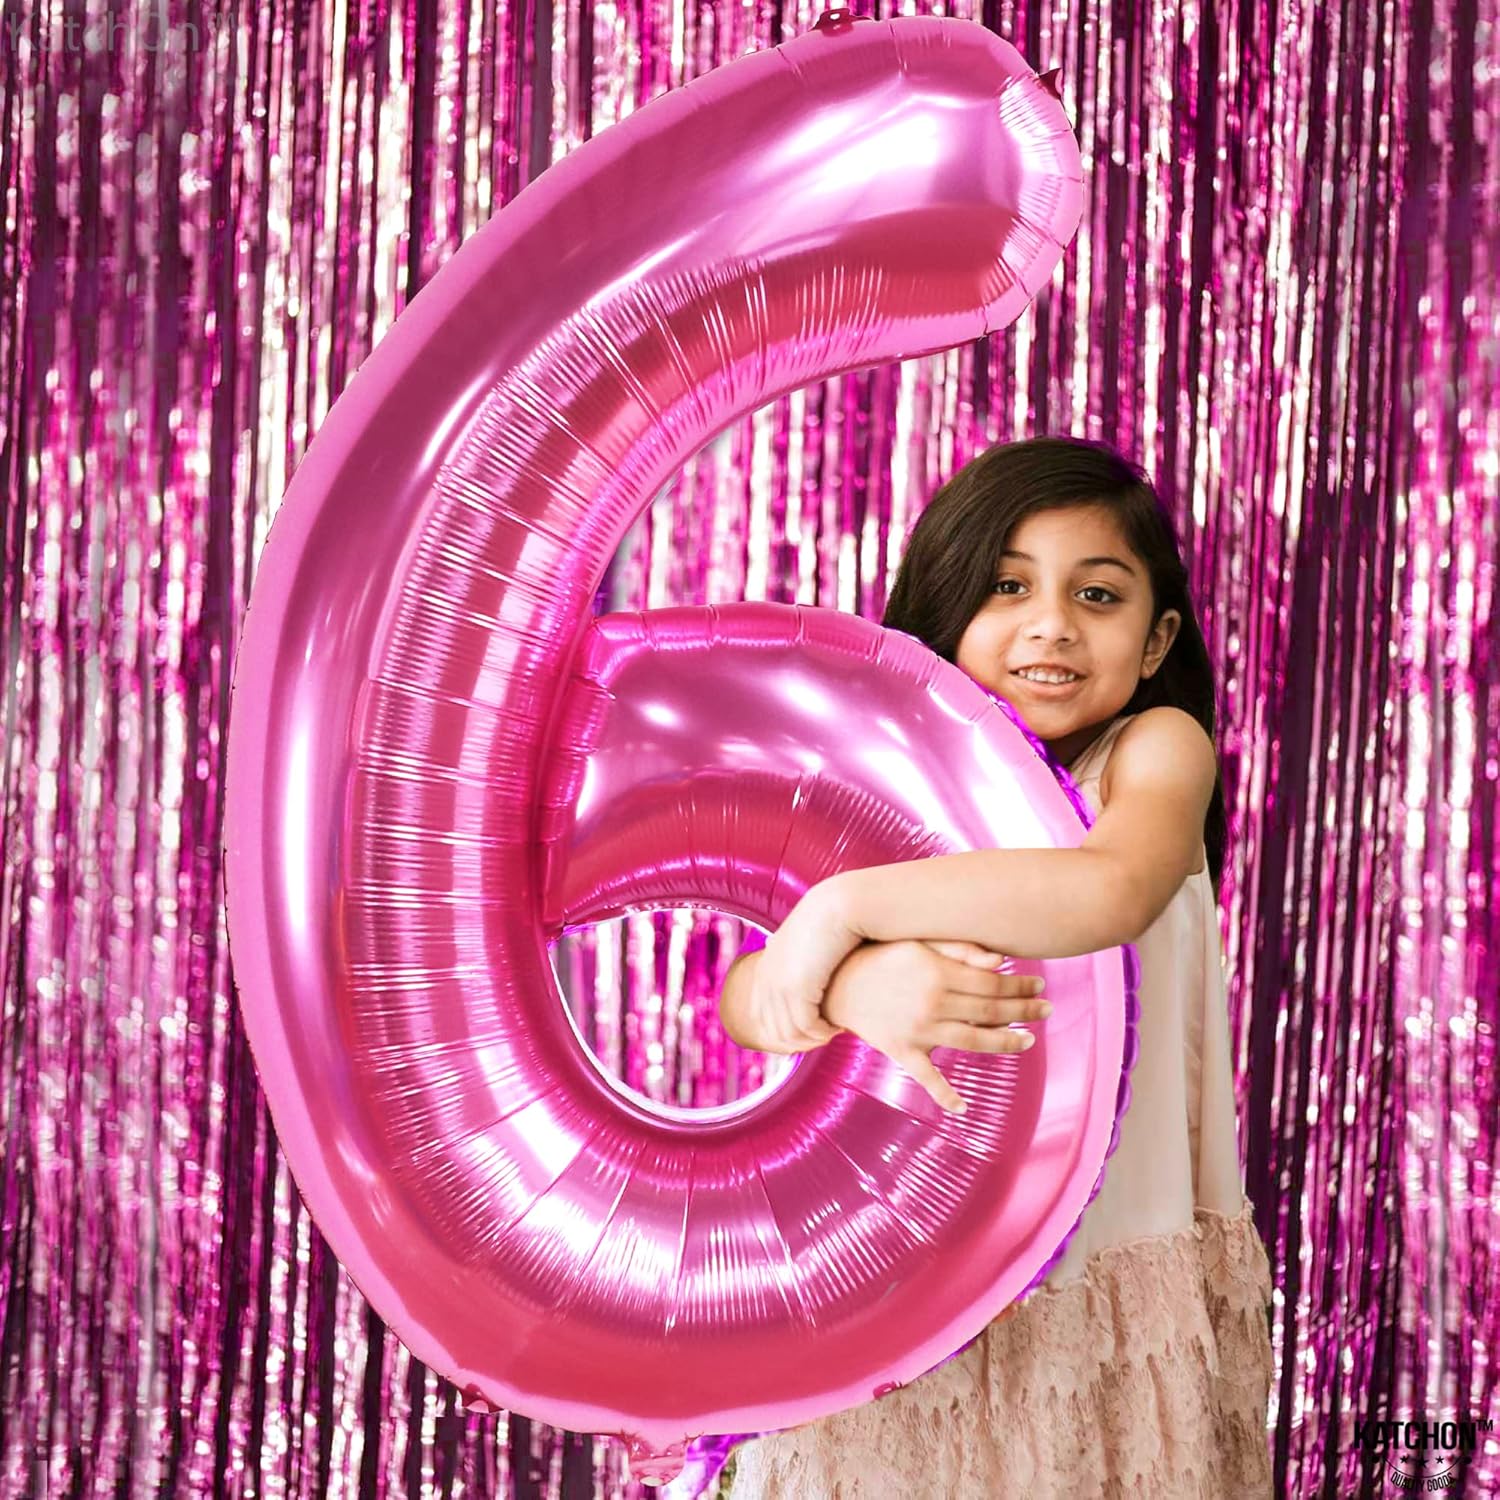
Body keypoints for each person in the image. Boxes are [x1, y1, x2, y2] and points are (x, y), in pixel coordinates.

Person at [714, 437, 1275, 1498]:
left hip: (1092, 1298)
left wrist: (847, 910)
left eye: (1096, 595)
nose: (1052, 623)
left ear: (1156, 639)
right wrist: (849, 984)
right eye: (1008, 586)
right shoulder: (886, 787)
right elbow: (753, 997)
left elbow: (1109, 890)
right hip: (894, 1290)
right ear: (944, 606)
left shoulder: (1151, 753)